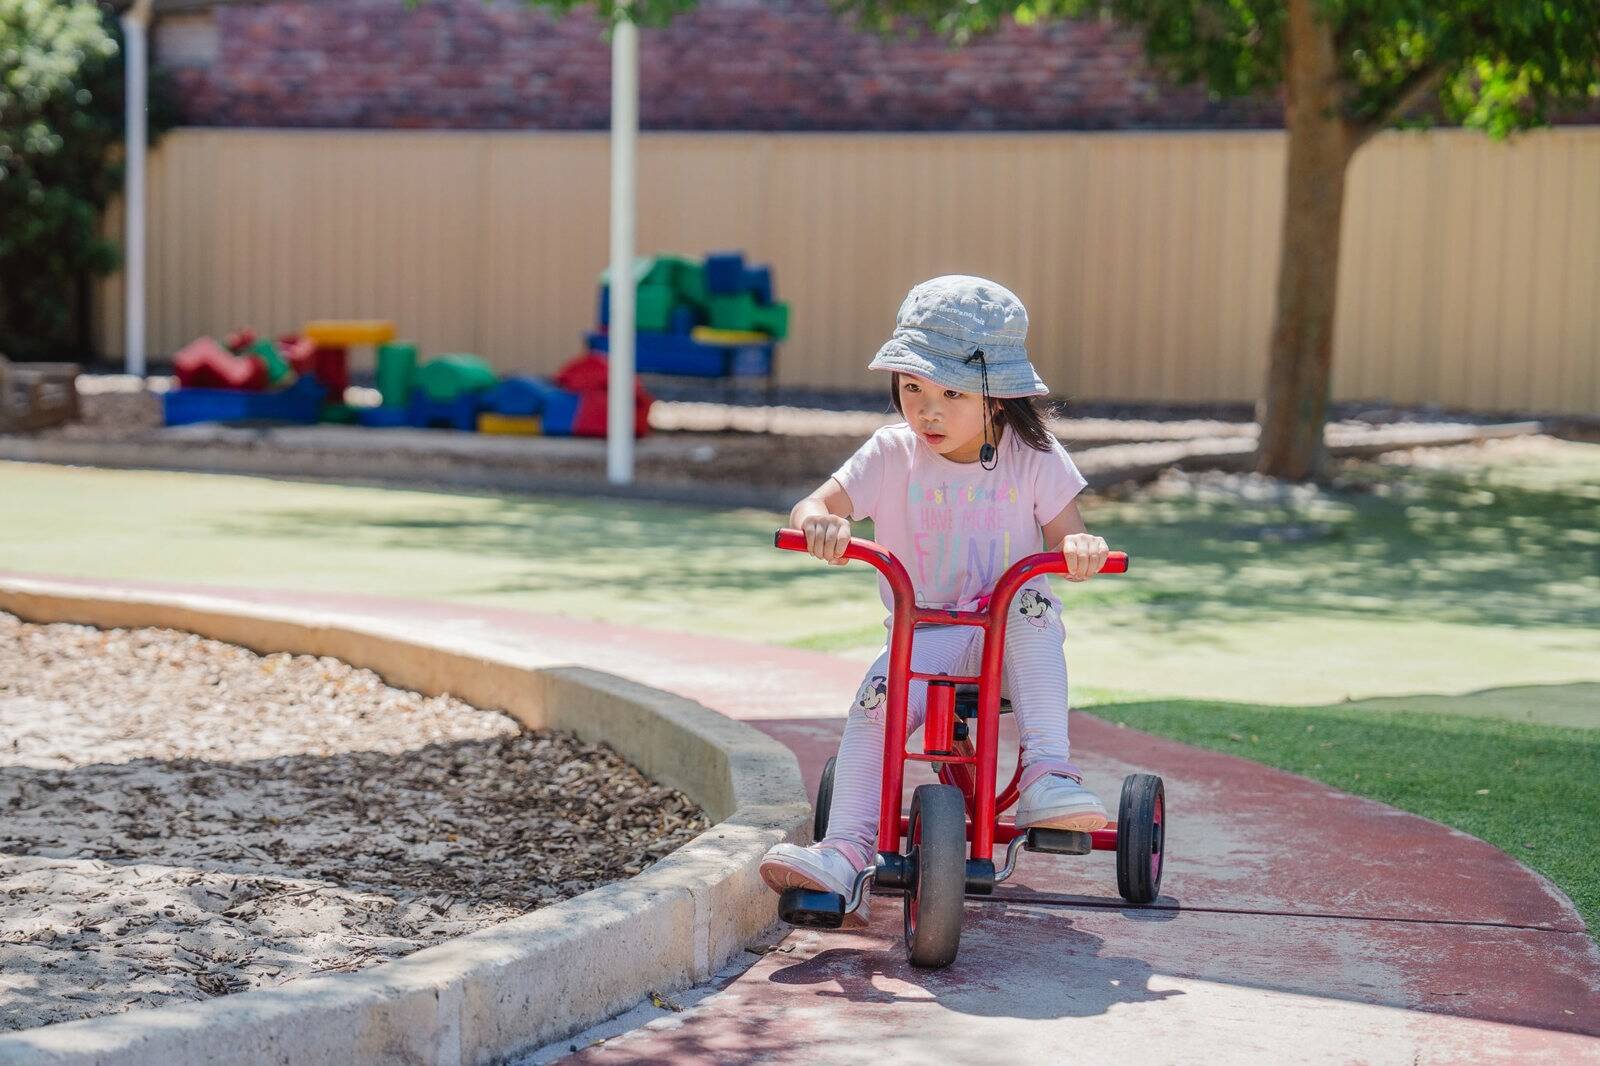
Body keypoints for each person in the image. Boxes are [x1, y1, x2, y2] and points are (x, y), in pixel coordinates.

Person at [760, 275, 1112, 927]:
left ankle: (1046, 775)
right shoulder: (891, 453)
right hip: (926, 635)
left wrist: (1082, 549)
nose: (928, 412)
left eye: (952, 394)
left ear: (998, 399)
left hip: (1010, 634)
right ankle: (844, 849)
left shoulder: (1032, 455)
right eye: (913, 388)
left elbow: (1069, 535)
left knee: (1030, 601)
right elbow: (814, 504)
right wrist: (820, 523)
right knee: (874, 705)